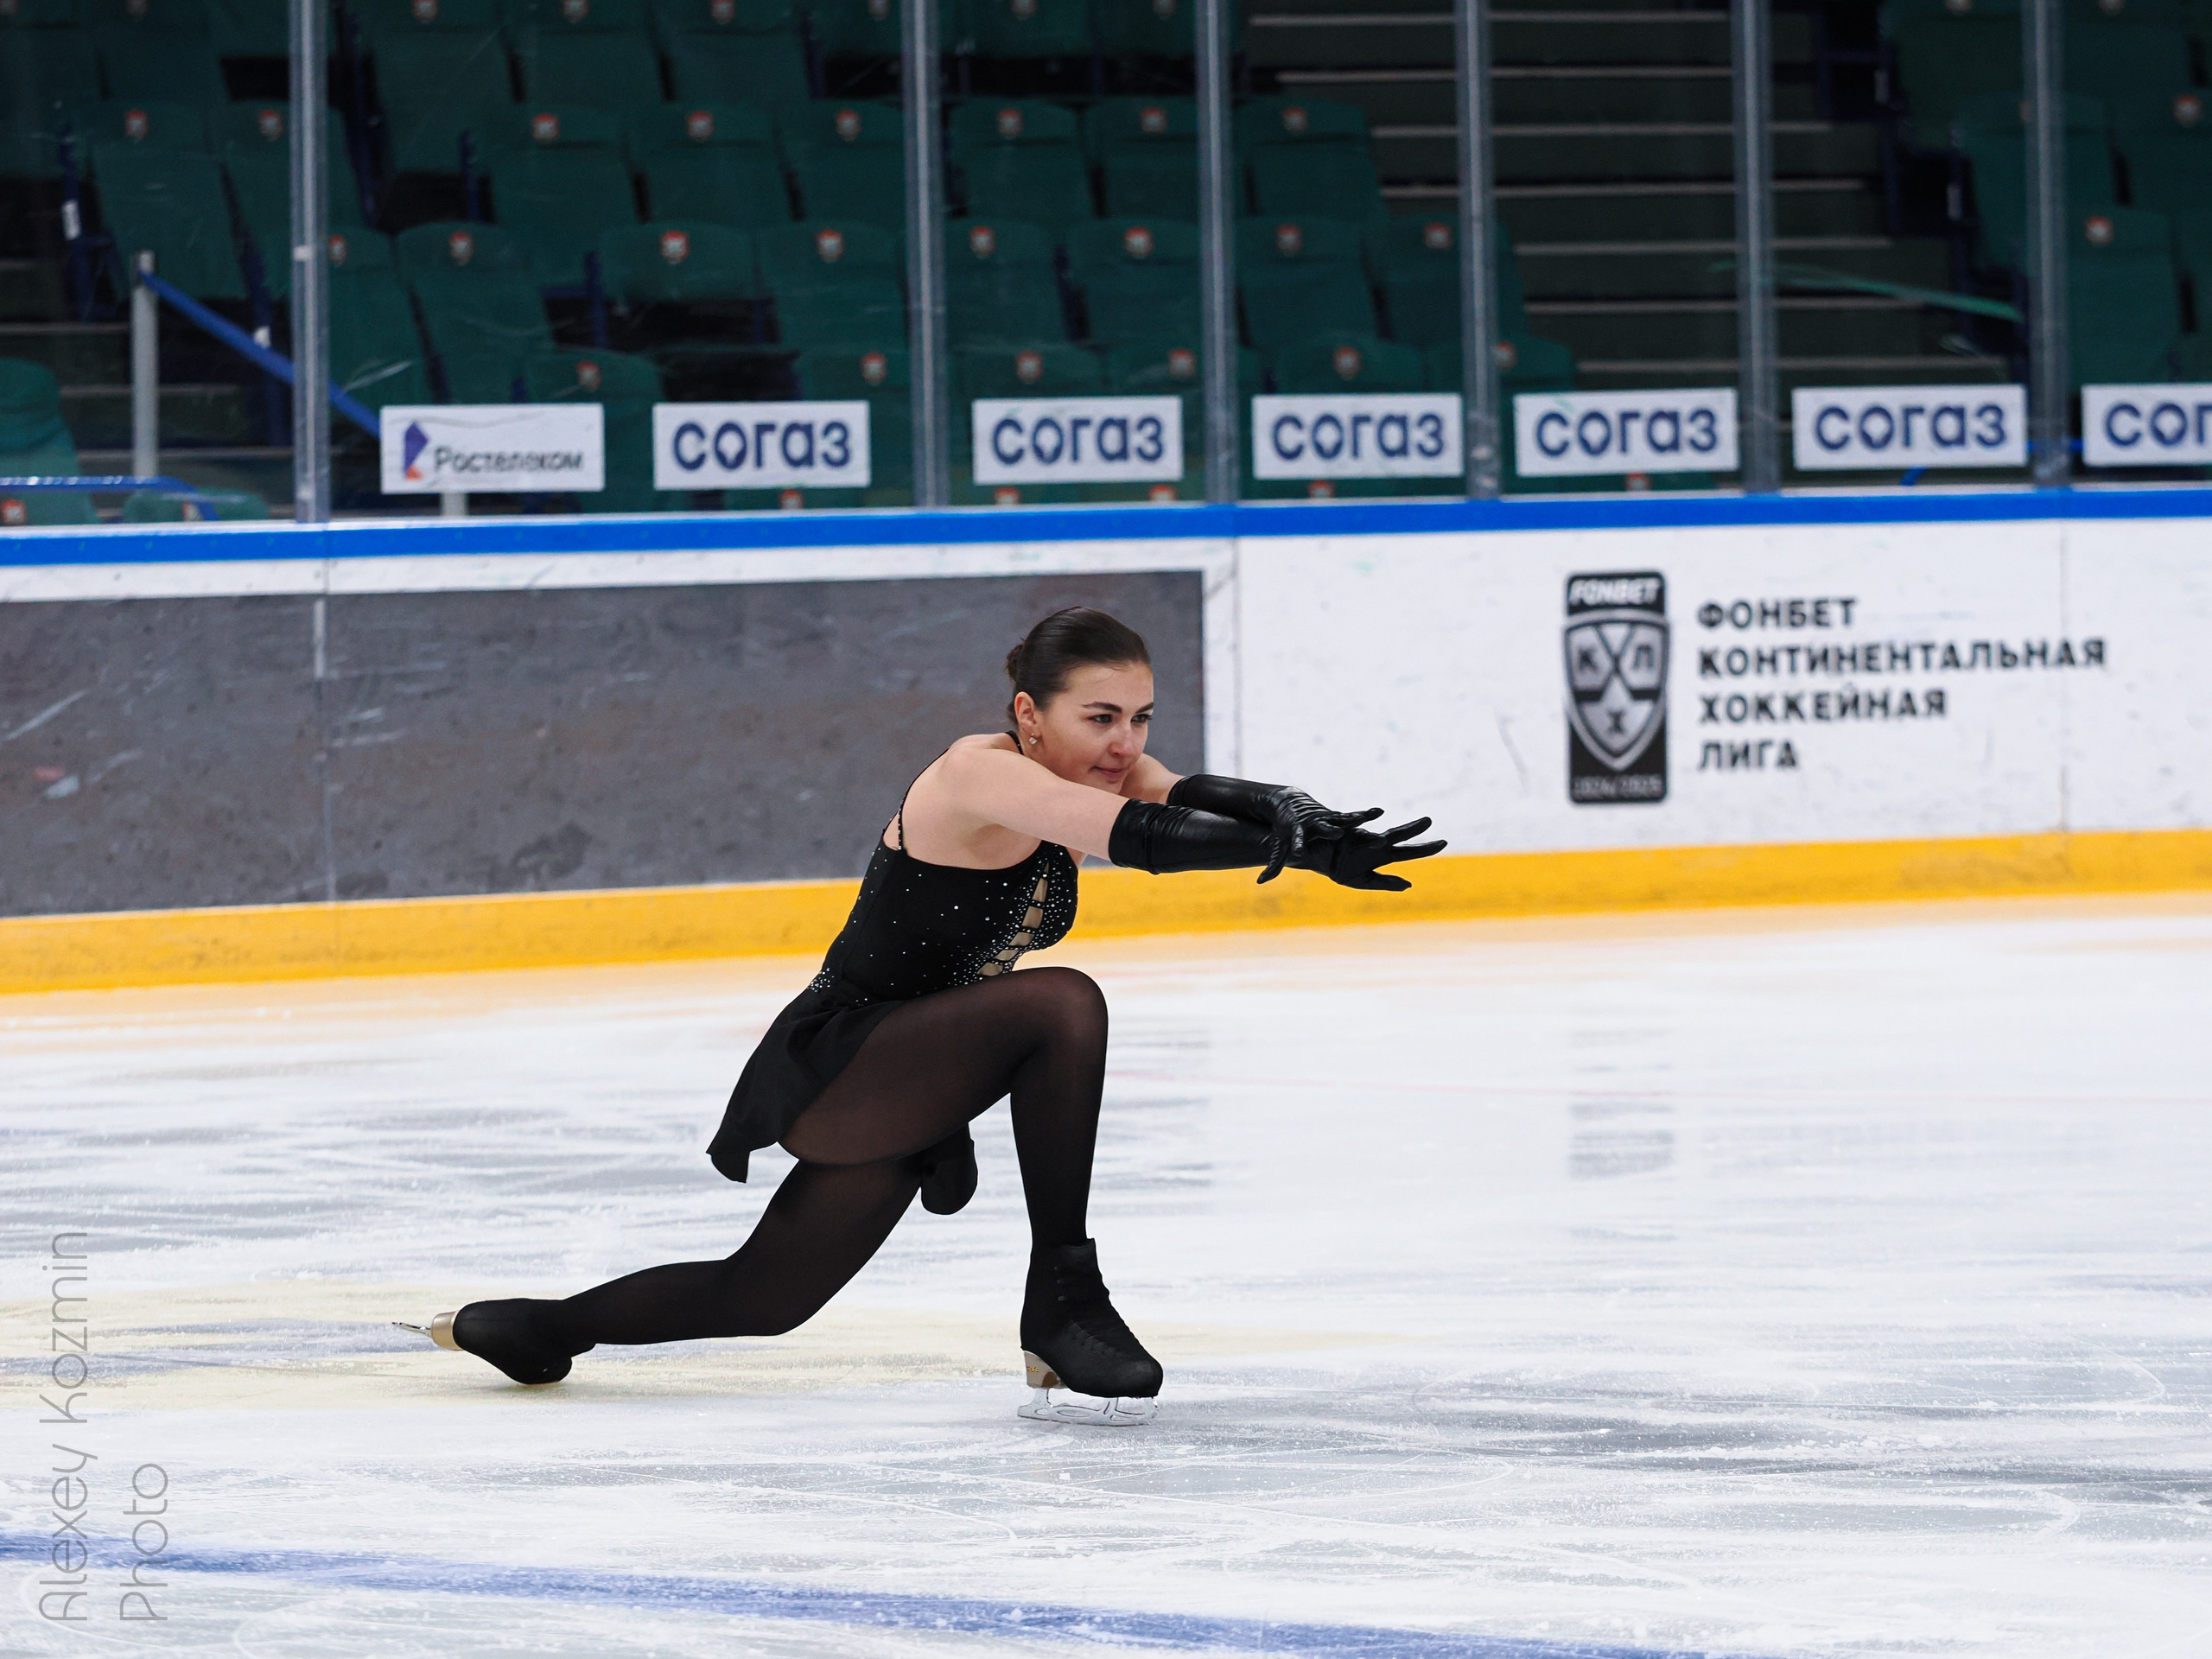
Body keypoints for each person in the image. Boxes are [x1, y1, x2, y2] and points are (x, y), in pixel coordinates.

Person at [404, 607, 1442, 1425]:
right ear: (1029, 714)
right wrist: (1305, 852)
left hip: (912, 1069)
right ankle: (1064, 1299)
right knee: (1059, 1004)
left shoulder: (1092, 763)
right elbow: (1146, 834)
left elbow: (1195, 798)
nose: (1125, 743)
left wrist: (1293, 811)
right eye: (1100, 719)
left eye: (1140, 720)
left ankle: (538, 1327)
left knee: (765, 1297)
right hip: (842, 1058)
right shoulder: (978, 773)